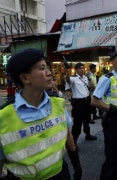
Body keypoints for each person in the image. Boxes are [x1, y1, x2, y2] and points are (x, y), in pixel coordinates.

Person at [0, 48, 82, 180]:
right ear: (25, 78)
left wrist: (76, 165)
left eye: (48, 68)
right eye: (42, 68)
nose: (49, 73)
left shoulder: (58, 103)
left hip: (61, 174)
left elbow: (68, 136)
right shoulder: (3, 116)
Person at [91, 50, 117, 180]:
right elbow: (94, 100)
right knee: (112, 152)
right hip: (112, 119)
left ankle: (115, 175)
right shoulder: (107, 78)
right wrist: (113, 109)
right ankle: (107, 176)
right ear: (112, 62)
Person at [66, 62, 97, 142]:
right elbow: (68, 80)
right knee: (77, 123)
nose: (82, 69)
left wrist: (89, 78)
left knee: (87, 120)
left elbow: (92, 87)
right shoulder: (73, 78)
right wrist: (67, 70)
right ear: (76, 70)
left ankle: (88, 134)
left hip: (87, 101)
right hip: (78, 103)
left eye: (83, 68)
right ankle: (74, 141)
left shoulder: (86, 78)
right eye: (80, 68)